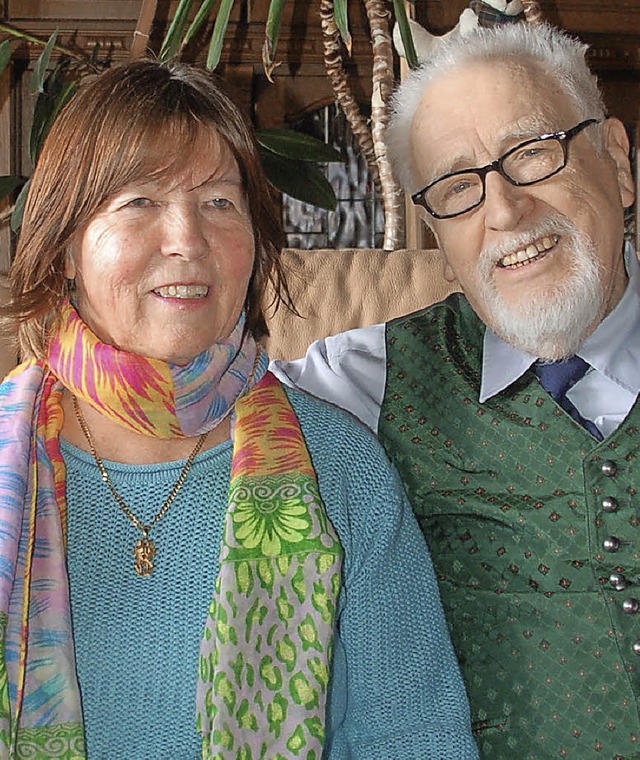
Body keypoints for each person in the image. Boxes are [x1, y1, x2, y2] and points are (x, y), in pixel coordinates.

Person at [0, 60, 478, 759]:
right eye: (138, 201)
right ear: (67, 244)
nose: (188, 241)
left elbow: (414, 738)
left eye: (220, 202)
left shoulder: (338, 465)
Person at [271, 21, 639, 759]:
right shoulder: (358, 383)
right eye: (458, 188)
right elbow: (176, 415)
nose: (504, 212)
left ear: (620, 164)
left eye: (534, 153)